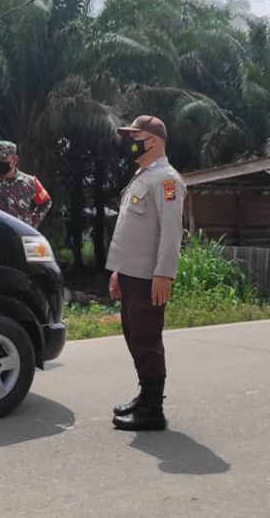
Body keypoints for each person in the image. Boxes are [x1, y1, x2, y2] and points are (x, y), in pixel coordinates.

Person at [106, 115, 187, 431]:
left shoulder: (167, 180)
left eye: (134, 136)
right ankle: (145, 396)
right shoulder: (142, 176)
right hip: (131, 275)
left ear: (152, 140)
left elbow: (171, 232)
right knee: (134, 336)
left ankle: (153, 410)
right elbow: (129, 230)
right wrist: (117, 272)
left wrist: (164, 274)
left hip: (148, 277)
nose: (130, 142)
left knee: (148, 339)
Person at [0, 140, 52, 228]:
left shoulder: (30, 183)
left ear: (15, 160)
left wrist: (32, 223)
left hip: (19, 236)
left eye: (3, 158)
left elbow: (46, 202)